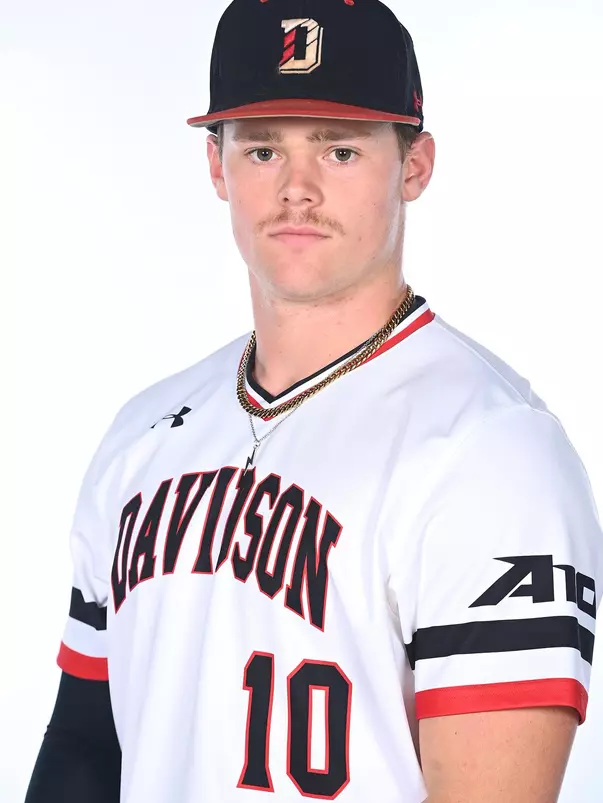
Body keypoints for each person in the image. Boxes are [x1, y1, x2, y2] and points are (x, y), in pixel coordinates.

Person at [25, 0, 602, 801]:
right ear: (217, 167)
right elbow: (84, 750)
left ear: (414, 165)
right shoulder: (142, 435)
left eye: (338, 149)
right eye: (262, 148)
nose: (295, 189)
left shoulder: (494, 451)